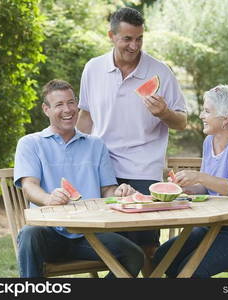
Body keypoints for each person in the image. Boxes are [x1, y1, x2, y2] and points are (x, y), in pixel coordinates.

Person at [76, 7, 187, 261]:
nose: (134, 46)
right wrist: (76, 157)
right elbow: (85, 117)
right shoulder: (93, 69)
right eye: (127, 38)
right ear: (111, 36)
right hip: (102, 170)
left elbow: (181, 121)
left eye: (139, 38)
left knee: (146, 247)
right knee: (109, 246)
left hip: (143, 170)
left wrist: (164, 113)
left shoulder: (160, 72)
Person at [14, 79, 145, 278]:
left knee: (134, 256)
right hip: (49, 233)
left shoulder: (95, 144)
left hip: (90, 234)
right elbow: (29, 186)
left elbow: (107, 190)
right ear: (46, 109)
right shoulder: (30, 143)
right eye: (59, 105)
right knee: (29, 234)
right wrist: (49, 199)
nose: (67, 109)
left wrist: (119, 192)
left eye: (71, 102)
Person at [152, 84, 228, 278]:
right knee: (162, 257)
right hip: (209, 227)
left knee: (191, 272)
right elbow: (207, 188)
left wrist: (200, 176)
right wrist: (188, 188)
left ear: (225, 119)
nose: (202, 115)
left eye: (207, 111)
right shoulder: (209, 141)